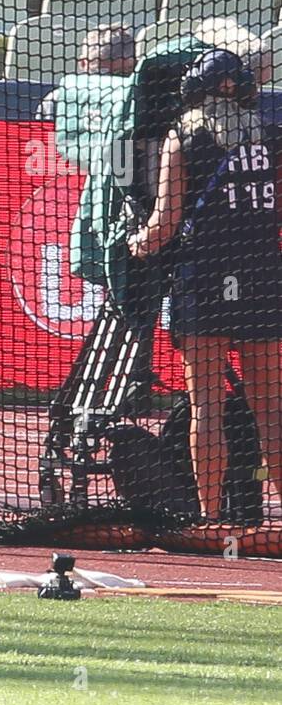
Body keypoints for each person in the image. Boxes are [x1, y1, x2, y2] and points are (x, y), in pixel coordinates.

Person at [127, 37, 282, 521]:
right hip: (261, 275)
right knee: (270, 410)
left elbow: (164, 225)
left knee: (207, 407)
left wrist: (135, 244)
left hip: (204, 276)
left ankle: (209, 517)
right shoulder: (272, 136)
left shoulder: (183, 137)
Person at [36, 23, 137, 122]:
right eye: (103, 73)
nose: (113, 82)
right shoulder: (58, 100)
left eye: (123, 74)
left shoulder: (138, 102)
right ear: (83, 64)